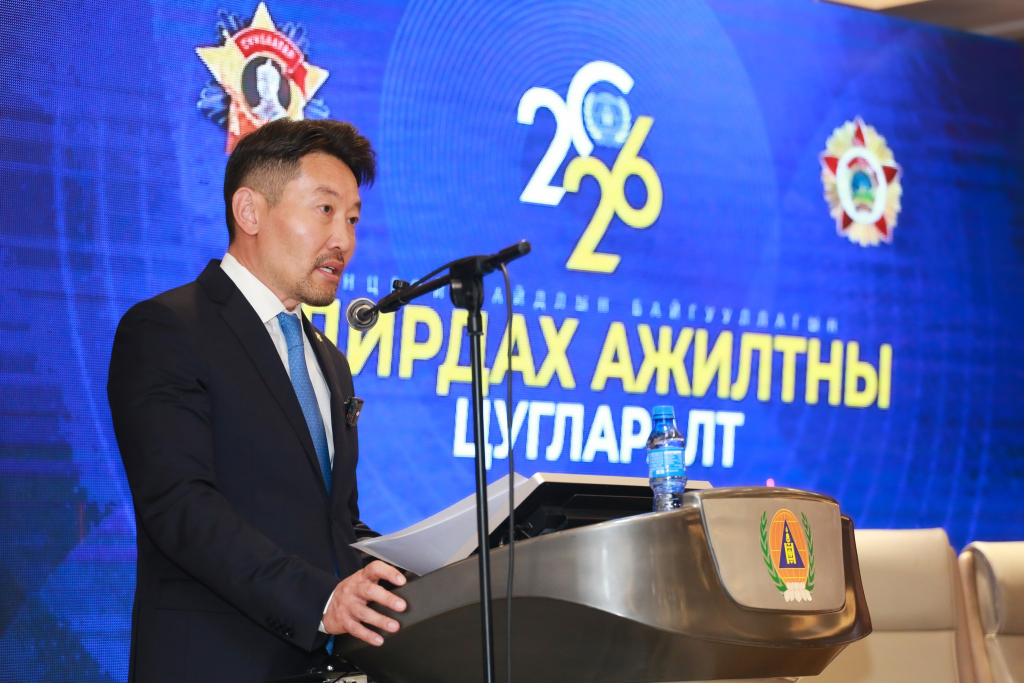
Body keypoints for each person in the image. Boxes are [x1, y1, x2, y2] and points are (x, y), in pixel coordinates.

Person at [107, 118, 407, 683]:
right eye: (325, 210)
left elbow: (331, 523)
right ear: (249, 211)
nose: (344, 240)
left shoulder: (329, 360)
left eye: (352, 219)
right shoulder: (168, 328)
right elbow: (180, 507)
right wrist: (320, 600)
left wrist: (421, 565)